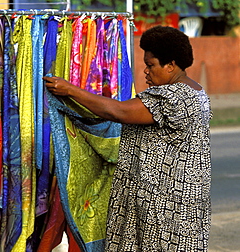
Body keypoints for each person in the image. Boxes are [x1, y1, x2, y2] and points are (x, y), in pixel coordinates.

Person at [43, 25, 212, 251]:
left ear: (170, 66)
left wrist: (70, 90)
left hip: (164, 209)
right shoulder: (196, 92)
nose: (146, 72)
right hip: (177, 205)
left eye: (151, 65)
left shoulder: (173, 97)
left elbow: (118, 112)